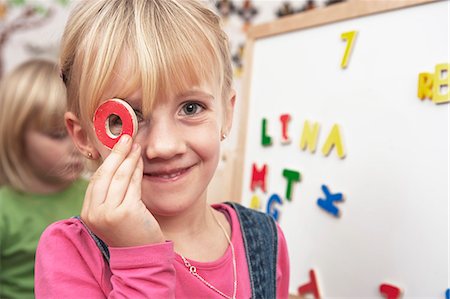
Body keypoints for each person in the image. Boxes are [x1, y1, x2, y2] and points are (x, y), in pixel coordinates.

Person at [35, 0, 290, 298]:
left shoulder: (264, 239)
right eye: (126, 118)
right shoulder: (69, 253)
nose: (164, 146)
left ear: (227, 114)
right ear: (84, 137)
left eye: (191, 108)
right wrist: (140, 261)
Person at [0, 59, 87, 298]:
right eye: (59, 134)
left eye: (82, 132)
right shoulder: (4, 210)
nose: (77, 146)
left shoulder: (97, 196)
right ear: (16, 137)